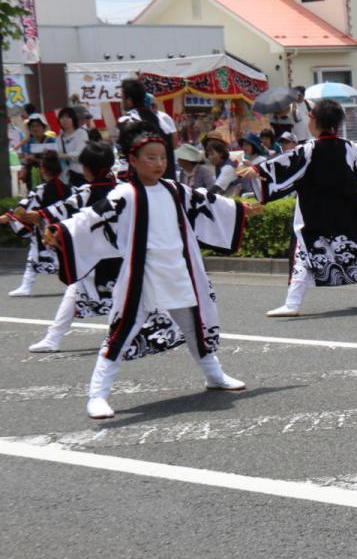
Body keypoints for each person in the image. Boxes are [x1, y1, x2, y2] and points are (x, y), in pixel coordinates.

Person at [43, 120, 259, 419]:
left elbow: (205, 200)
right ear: (132, 160)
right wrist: (60, 230)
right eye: (150, 158)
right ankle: (97, 395)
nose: (159, 163)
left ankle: (214, 374)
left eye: (162, 157)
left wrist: (239, 209)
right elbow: (92, 216)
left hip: (177, 269)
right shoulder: (125, 194)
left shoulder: (173, 188)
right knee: (122, 331)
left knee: (193, 326)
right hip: (141, 276)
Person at [240, 98, 357, 317]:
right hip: (345, 213)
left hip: (314, 214)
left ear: (314, 121)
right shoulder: (348, 147)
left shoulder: (309, 149)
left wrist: (258, 171)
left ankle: (292, 304)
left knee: (303, 254)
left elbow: (285, 165)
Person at [21, 141, 122, 353]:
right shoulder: (123, 189)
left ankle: (54, 338)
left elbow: (66, 206)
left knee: (77, 292)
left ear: (88, 168)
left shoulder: (89, 191)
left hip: (95, 256)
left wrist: (41, 215)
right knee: (127, 296)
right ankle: (55, 338)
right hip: (121, 253)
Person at [3, 148, 71, 296]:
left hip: (44, 230)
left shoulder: (41, 189)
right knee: (61, 257)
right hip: (64, 230)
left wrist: (8, 216)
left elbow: (24, 207)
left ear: (42, 169)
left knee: (38, 255)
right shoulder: (67, 189)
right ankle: (27, 286)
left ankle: (27, 286)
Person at [119, 78, 178, 179]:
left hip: (142, 180)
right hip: (166, 177)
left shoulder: (127, 119)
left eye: (122, 98)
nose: (122, 102)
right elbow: (174, 143)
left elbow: (124, 155)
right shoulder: (159, 118)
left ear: (129, 100)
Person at [17, 112, 56, 191]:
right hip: (32, 175)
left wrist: (35, 159)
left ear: (44, 127)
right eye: (32, 126)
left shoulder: (51, 141)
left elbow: (53, 161)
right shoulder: (30, 142)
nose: (35, 128)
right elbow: (26, 157)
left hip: (47, 176)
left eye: (37, 125)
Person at [55, 106, 89, 185]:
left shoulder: (81, 133)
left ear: (73, 119)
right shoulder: (58, 138)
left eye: (68, 117)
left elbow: (80, 154)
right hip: (63, 177)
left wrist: (62, 156)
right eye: (62, 117)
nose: (65, 120)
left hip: (79, 175)